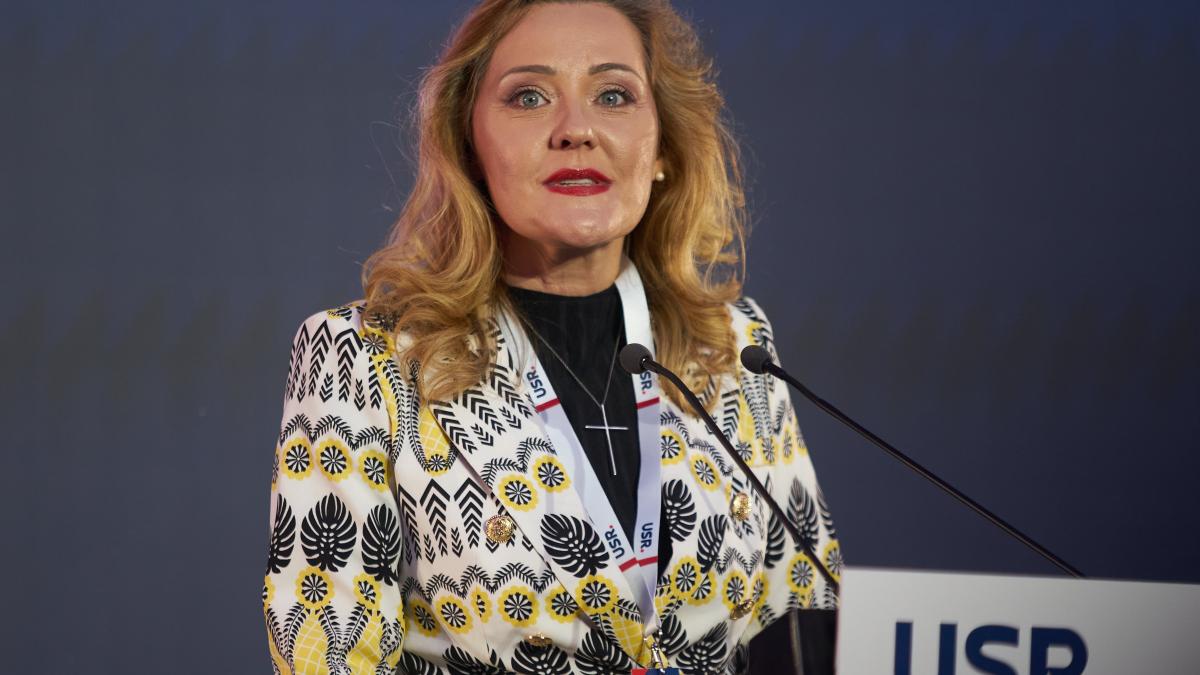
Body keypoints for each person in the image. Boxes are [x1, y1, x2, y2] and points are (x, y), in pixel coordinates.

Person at [261, 1, 841, 673]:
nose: (577, 130)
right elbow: (327, 652)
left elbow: (809, 624)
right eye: (529, 97)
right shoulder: (364, 358)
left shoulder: (734, 348)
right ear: (469, 147)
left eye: (613, 95)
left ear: (662, 149)